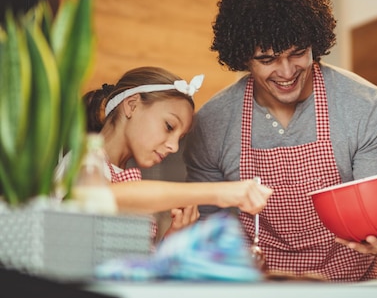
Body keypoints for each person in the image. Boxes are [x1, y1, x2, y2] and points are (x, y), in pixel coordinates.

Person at [183, 0, 377, 281]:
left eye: (298, 53)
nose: (286, 72)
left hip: (346, 286)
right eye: (267, 59)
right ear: (242, 57)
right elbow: (208, 227)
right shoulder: (212, 122)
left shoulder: (368, 107)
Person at [61, 66, 272, 240]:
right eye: (169, 126)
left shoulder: (126, 176)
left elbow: (128, 265)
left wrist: (172, 236)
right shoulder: (85, 161)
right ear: (132, 105)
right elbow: (104, 197)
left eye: (180, 138)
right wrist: (221, 192)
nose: (174, 147)